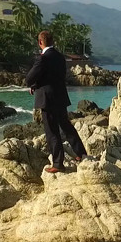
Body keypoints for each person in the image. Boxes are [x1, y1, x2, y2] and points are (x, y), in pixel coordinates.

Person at [25, 30, 87, 173]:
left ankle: (58, 164)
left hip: (47, 98)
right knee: (66, 126)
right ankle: (81, 153)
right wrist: (38, 84)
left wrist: (34, 85)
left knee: (52, 131)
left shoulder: (43, 58)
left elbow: (29, 78)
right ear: (52, 41)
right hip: (60, 96)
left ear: (40, 42)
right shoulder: (60, 57)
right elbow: (54, 76)